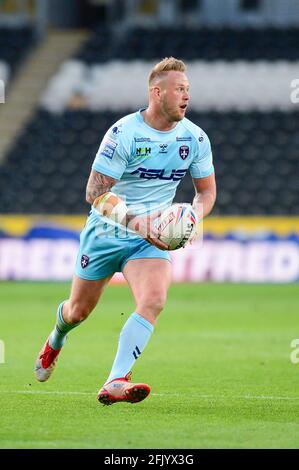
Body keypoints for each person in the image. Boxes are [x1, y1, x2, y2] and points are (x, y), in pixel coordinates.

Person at [34, 57, 216, 405]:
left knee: (154, 301)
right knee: (78, 311)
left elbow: (206, 192)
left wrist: (195, 216)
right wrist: (135, 222)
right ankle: (56, 338)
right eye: (179, 89)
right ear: (156, 92)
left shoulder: (195, 138)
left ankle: (116, 379)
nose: (186, 96)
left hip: (151, 240)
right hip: (107, 233)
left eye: (188, 90)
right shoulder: (124, 134)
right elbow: (95, 193)